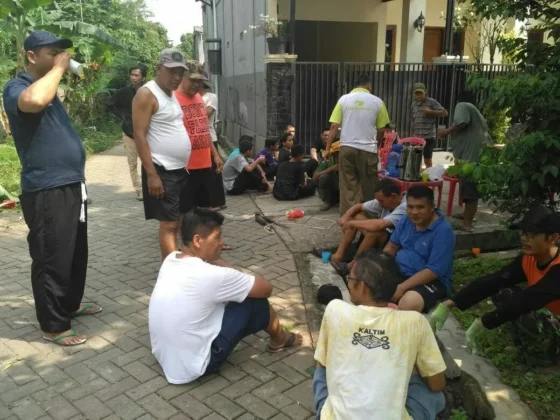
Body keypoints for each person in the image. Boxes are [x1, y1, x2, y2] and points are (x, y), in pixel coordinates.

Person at [2, 30, 102, 346]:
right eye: (53, 52)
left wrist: (58, 70)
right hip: (46, 188)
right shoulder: (16, 86)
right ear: (32, 55)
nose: (61, 56)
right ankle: (54, 325)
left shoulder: (50, 87)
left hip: (71, 184)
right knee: (51, 258)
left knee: (74, 254)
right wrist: (60, 67)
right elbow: (32, 102)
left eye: (63, 52)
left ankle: (69, 304)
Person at [149, 209, 303, 384]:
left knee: (233, 294)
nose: (222, 243)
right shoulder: (212, 274)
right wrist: (225, 265)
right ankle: (280, 340)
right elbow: (265, 288)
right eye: (217, 237)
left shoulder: (171, 259)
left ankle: (278, 337)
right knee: (255, 300)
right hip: (194, 367)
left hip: (165, 356)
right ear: (197, 240)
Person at [313, 250, 446, 420]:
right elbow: (437, 384)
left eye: (350, 278)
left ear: (362, 287)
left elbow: (322, 362)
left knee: (322, 366)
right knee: (434, 393)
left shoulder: (335, 309)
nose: (348, 283)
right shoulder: (415, 322)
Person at [430, 207, 560, 368]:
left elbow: (529, 300)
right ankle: (531, 339)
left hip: (553, 315)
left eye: (532, 234)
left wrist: (483, 322)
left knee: (525, 308)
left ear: (552, 238)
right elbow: (496, 280)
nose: (524, 238)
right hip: (548, 310)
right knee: (504, 293)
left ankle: (542, 360)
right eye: (523, 233)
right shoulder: (530, 258)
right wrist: (448, 304)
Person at [132, 49, 191, 260]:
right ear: (158, 68)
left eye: (180, 73)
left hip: (179, 170)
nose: (177, 77)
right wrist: (152, 175)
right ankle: (171, 274)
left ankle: (183, 264)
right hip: (161, 169)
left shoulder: (171, 94)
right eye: (172, 71)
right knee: (169, 223)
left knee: (182, 219)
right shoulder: (147, 94)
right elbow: (139, 135)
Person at [325, 74, 391, 215]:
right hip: (368, 149)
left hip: (347, 148)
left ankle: (349, 222)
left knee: (348, 187)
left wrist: (327, 149)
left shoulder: (343, 100)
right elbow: (381, 130)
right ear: (369, 85)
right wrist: (377, 146)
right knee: (369, 188)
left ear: (354, 86)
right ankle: (369, 223)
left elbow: (333, 127)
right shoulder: (377, 102)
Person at [382, 185, 455, 313]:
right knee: (367, 279)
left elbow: (433, 271)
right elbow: (392, 246)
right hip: (401, 271)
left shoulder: (443, 231)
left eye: (420, 207)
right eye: (410, 207)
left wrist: (403, 287)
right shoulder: (406, 220)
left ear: (432, 207)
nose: (414, 212)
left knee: (409, 302)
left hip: (432, 281)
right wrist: (380, 267)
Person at [438, 91, 492, 233]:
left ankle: (467, 224)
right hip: (475, 156)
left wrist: (446, 132)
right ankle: (466, 215)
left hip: (472, 159)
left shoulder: (462, 105)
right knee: (468, 187)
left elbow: (461, 122)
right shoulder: (474, 111)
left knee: (470, 190)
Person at [175, 62, 223, 215]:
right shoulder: (173, 99)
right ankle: (185, 238)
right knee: (185, 211)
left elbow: (204, 128)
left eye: (200, 81)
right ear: (183, 76)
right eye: (193, 79)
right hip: (185, 166)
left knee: (203, 209)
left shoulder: (198, 98)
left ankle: (198, 237)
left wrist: (215, 154)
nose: (197, 84)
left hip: (204, 163)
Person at [331, 178, 408, 269]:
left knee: (374, 231)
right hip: (384, 234)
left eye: (381, 201)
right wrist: (345, 218)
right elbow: (358, 206)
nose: (379, 204)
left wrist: (352, 224)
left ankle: (353, 266)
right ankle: (339, 255)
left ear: (393, 196)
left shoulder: (405, 207)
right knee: (355, 216)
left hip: (394, 243)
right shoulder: (385, 200)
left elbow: (380, 225)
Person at [107, 66, 147, 200]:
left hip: (147, 132)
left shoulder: (148, 92)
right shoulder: (123, 92)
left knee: (148, 161)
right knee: (132, 163)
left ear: (143, 77)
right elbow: (109, 104)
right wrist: (121, 117)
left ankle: (148, 188)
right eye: (132, 75)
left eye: (137, 75)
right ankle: (139, 189)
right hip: (129, 132)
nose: (134, 77)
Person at [200, 72, 226, 210]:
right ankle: (206, 202)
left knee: (214, 172)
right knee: (203, 172)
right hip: (197, 140)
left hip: (210, 136)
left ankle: (218, 202)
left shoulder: (211, 97)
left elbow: (205, 115)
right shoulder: (190, 97)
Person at [410, 83, 448, 169]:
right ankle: (417, 176)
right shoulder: (413, 105)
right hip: (417, 137)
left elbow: (445, 113)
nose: (419, 95)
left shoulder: (432, 102)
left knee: (427, 159)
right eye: (417, 93)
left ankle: (429, 176)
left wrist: (431, 112)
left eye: (420, 93)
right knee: (415, 159)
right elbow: (413, 120)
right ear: (414, 94)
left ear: (425, 92)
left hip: (428, 136)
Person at [313, 141, 340, 211]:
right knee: (324, 177)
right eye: (337, 153)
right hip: (332, 192)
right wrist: (330, 169)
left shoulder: (349, 161)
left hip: (345, 193)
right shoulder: (328, 161)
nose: (338, 155)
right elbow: (314, 177)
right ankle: (327, 201)